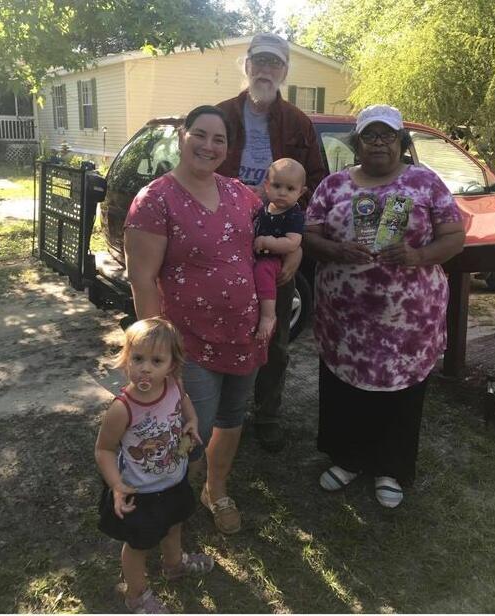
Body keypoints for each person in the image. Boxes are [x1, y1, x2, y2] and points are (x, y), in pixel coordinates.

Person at [303, 104, 465, 507]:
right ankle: (348, 458)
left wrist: (417, 256)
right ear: (357, 143)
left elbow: (454, 237)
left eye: (387, 135)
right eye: (370, 136)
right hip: (346, 321)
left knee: (401, 394)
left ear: (401, 142)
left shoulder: (425, 182)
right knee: (344, 389)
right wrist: (335, 249)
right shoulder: (333, 185)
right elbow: (308, 234)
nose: (378, 143)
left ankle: (390, 467)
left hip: (406, 325)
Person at [123, 105, 267, 535]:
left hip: (243, 333)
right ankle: (169, 502)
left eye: (219, 139)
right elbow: (143, 279)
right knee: (189, 429)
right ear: (182, 137)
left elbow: (265, 240)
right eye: (199, 135)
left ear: (227, 147)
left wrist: (292, 253)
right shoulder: (154, 200)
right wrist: (157, 351)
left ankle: (215, 490)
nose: (209, 145)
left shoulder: (242, 194)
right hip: (188, 342)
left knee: (232, 416)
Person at [217, 32, 327, 452]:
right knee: (221, 326)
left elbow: (316, 182)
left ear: (284, 71)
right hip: (223, 239)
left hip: (277, 244)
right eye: (259, 61)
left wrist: (297, 243)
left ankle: (266, 415)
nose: (266, 70)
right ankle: (219, 413)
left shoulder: (299, 122)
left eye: (274, 63)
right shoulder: (222, 116)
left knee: (275, 335)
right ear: (245, 65)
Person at [95, 318, 214, 614]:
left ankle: (174, 564)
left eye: (156, 360)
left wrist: (192, 421)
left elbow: (184, 400)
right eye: (138, 358)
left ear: (172, 365)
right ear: (126, 359)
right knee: (138, 546)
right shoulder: (122, 408)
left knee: (174, 525)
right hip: (140, 492)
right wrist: (117, 485)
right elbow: (104, 449)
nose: (145, 368)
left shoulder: (173, 385)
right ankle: (137, 596)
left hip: (173, 480)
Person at [254, 158, 306, 340]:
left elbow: (293, 242)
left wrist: (268, 242)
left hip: (274, 261)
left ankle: (268, 316)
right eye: (277, 186)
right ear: (266, 186)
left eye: (290, 189)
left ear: (301, 192)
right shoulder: (263, 207)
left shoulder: (294, 214)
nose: (282, 193)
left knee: (263, 271)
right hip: (257, 257)